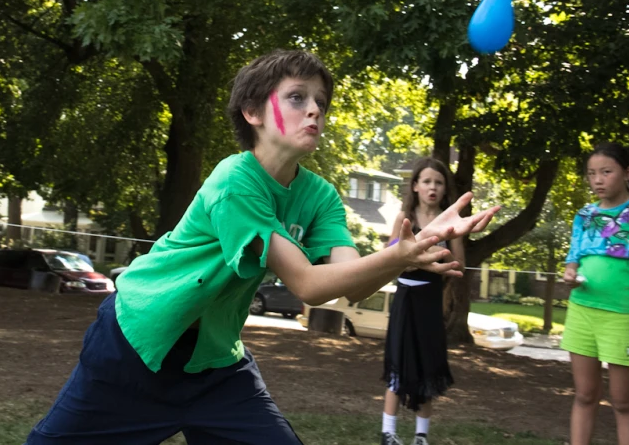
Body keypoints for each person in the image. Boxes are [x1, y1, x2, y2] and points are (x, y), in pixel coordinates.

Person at [25, 49, 499, 445]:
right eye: (297, 98)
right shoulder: (234, 180)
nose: (315, 109)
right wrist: (398, 256)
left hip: (215, 366)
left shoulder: (319, 196)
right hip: (135, 347)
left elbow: (348, 280)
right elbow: (309, 285)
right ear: (252, 113)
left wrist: (412, 248)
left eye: (320, 101)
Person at [562, 142, 629, 445]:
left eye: (606, 172)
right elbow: (573, 263)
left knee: (623, 402)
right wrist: (571, 276)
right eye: (592, 174)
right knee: (584, 395)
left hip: (621, 316)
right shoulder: (584, 215)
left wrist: (626, 249)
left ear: (627, 172)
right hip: (581, 312)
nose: (598, 180)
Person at [380, 158, 465, 445]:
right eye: (427, 181)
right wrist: (407, 259)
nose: (433, 187)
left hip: (431, 300)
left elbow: (459, 264)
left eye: (438, 182)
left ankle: (420, 437)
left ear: (445, 189)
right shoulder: (405, 216)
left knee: (428, 364)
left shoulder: (450, 220)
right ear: (415, 185)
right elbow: (390, 255)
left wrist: (436, 259)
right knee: (398, 362)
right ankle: (388, 433)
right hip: (405, 297)